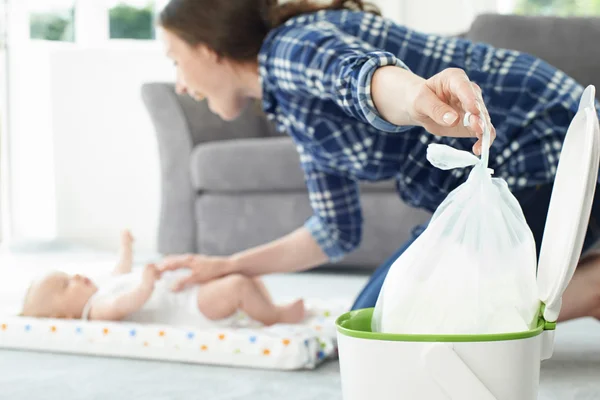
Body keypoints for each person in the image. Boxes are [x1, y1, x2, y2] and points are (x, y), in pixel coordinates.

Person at [157, 0, 600, 322]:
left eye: (176, 60)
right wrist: (230, 265)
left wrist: (417, 99)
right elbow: (335, 231)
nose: (178, 83)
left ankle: (591, 287)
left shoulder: (287, 48)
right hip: (529, 165)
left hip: (547, 147)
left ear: (208, 49)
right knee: (368, 317)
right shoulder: (292, 107)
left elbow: (358, 75)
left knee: (401, 319)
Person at [20, 230, 305, 327]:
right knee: (237, 287)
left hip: (188, 292)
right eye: (65, 283)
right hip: (191, 309)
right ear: (64, 318)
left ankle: (265, 306)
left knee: (240, 274)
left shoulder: (103, 288)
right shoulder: (97, 311)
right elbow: (125, 305)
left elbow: (121, 269)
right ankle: (275, 317)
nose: (77, 276)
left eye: (70, 274)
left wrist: (126, 248)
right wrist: (145, 284)